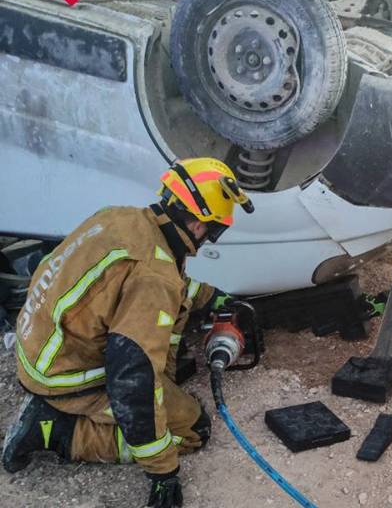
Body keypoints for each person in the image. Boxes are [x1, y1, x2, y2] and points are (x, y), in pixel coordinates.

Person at [2, 158, 254, 508]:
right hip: (66, 375)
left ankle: (64, 411)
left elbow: (149, 280)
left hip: (41, 346)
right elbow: (131, 381)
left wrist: (211, 298)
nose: (210, 236)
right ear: (198, 223)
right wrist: (163, 472)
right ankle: (55, 431)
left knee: (156, 385)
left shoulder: (122, 219)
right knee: (192, 430)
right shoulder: (155, 276)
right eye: (214, 228)